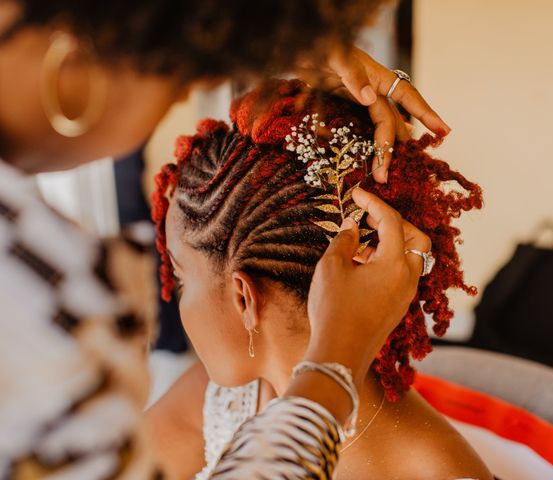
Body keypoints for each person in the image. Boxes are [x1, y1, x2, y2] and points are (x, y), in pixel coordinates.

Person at [0, 1, 452, 478]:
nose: (178, 101)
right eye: (181, 81)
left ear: (244, 295)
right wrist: (333, 363)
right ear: (73, 56)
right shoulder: (42, 301)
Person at [147, 79, 491, 480]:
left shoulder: (441, 472)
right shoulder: (220, 398)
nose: (176, 297)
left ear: (244, 298)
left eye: (182, 278)